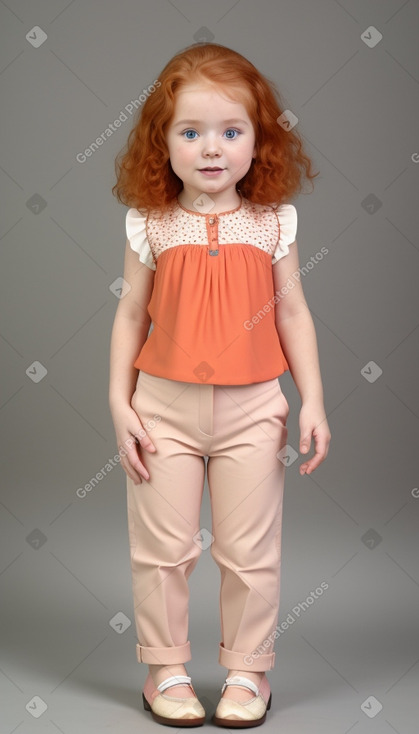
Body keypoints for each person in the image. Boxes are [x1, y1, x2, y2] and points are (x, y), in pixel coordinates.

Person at [109, 42, 331, 728]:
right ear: (162, 142)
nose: (211, 149)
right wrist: (119, 404)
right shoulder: (151, 222)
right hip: (161, 410)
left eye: (231, 132)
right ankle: (164, 669)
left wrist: (312, 400)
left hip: (253, 408)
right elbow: (128, 314)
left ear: (258, 141)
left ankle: (247, 672)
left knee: (250, 554)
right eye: (190, 132)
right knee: (161, 551)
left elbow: (292, 311)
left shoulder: (272, 222)